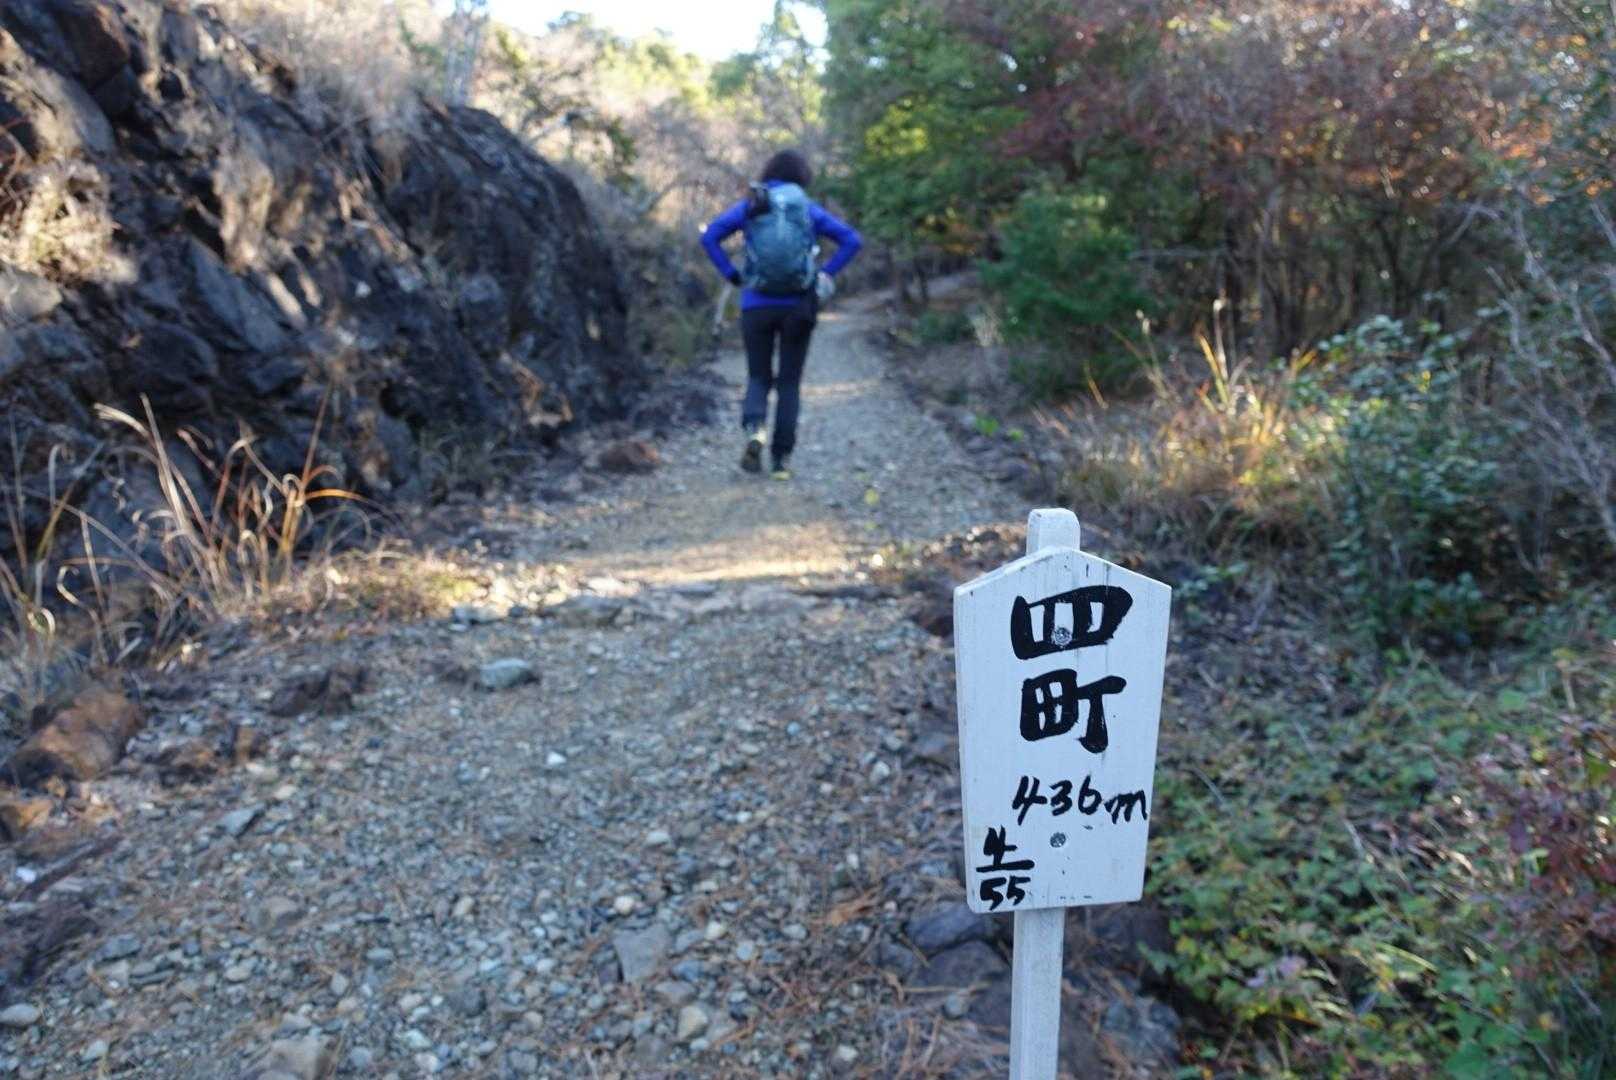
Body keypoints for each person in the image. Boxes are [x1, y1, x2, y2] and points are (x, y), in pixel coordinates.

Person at [700, 149, 862, 480]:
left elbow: (711, 237)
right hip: (798, 306)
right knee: (789, 382)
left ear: (770, 172)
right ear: (801, 176)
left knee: (758, 376)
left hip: (756, 304)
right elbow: (851, 240)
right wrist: (826, 274)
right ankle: (780, 462)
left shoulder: (753, 205)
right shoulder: (806, 208)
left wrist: (731, 274)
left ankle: (755, 430)